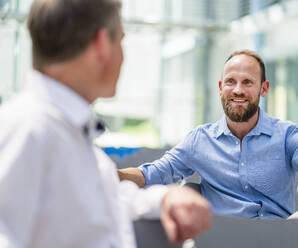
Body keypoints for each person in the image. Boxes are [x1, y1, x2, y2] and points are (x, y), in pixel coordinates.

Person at [0, 0, 211, 247]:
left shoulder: (70, 131)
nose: (123, 57)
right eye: (120, 40)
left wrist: (163, 199)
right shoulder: (27, 128)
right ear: (102, 45)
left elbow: (104, 199)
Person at [118, 49, 298, 219]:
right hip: (224, 239)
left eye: (247, 82)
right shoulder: (200, 140)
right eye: (230, 82)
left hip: (279, 238)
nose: (237, 90)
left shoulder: (286, 134)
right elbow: (151, 174)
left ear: (263, 89)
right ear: (220, 87)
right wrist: (107, 173)